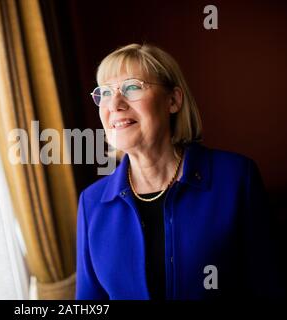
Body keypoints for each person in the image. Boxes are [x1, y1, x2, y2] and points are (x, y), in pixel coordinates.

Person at [76, 43, 283, 300]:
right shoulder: (91, 202)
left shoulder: (236, 177)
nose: (115, 104)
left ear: (173, 100)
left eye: (132, 87)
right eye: (105, 93)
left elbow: (269, 287)